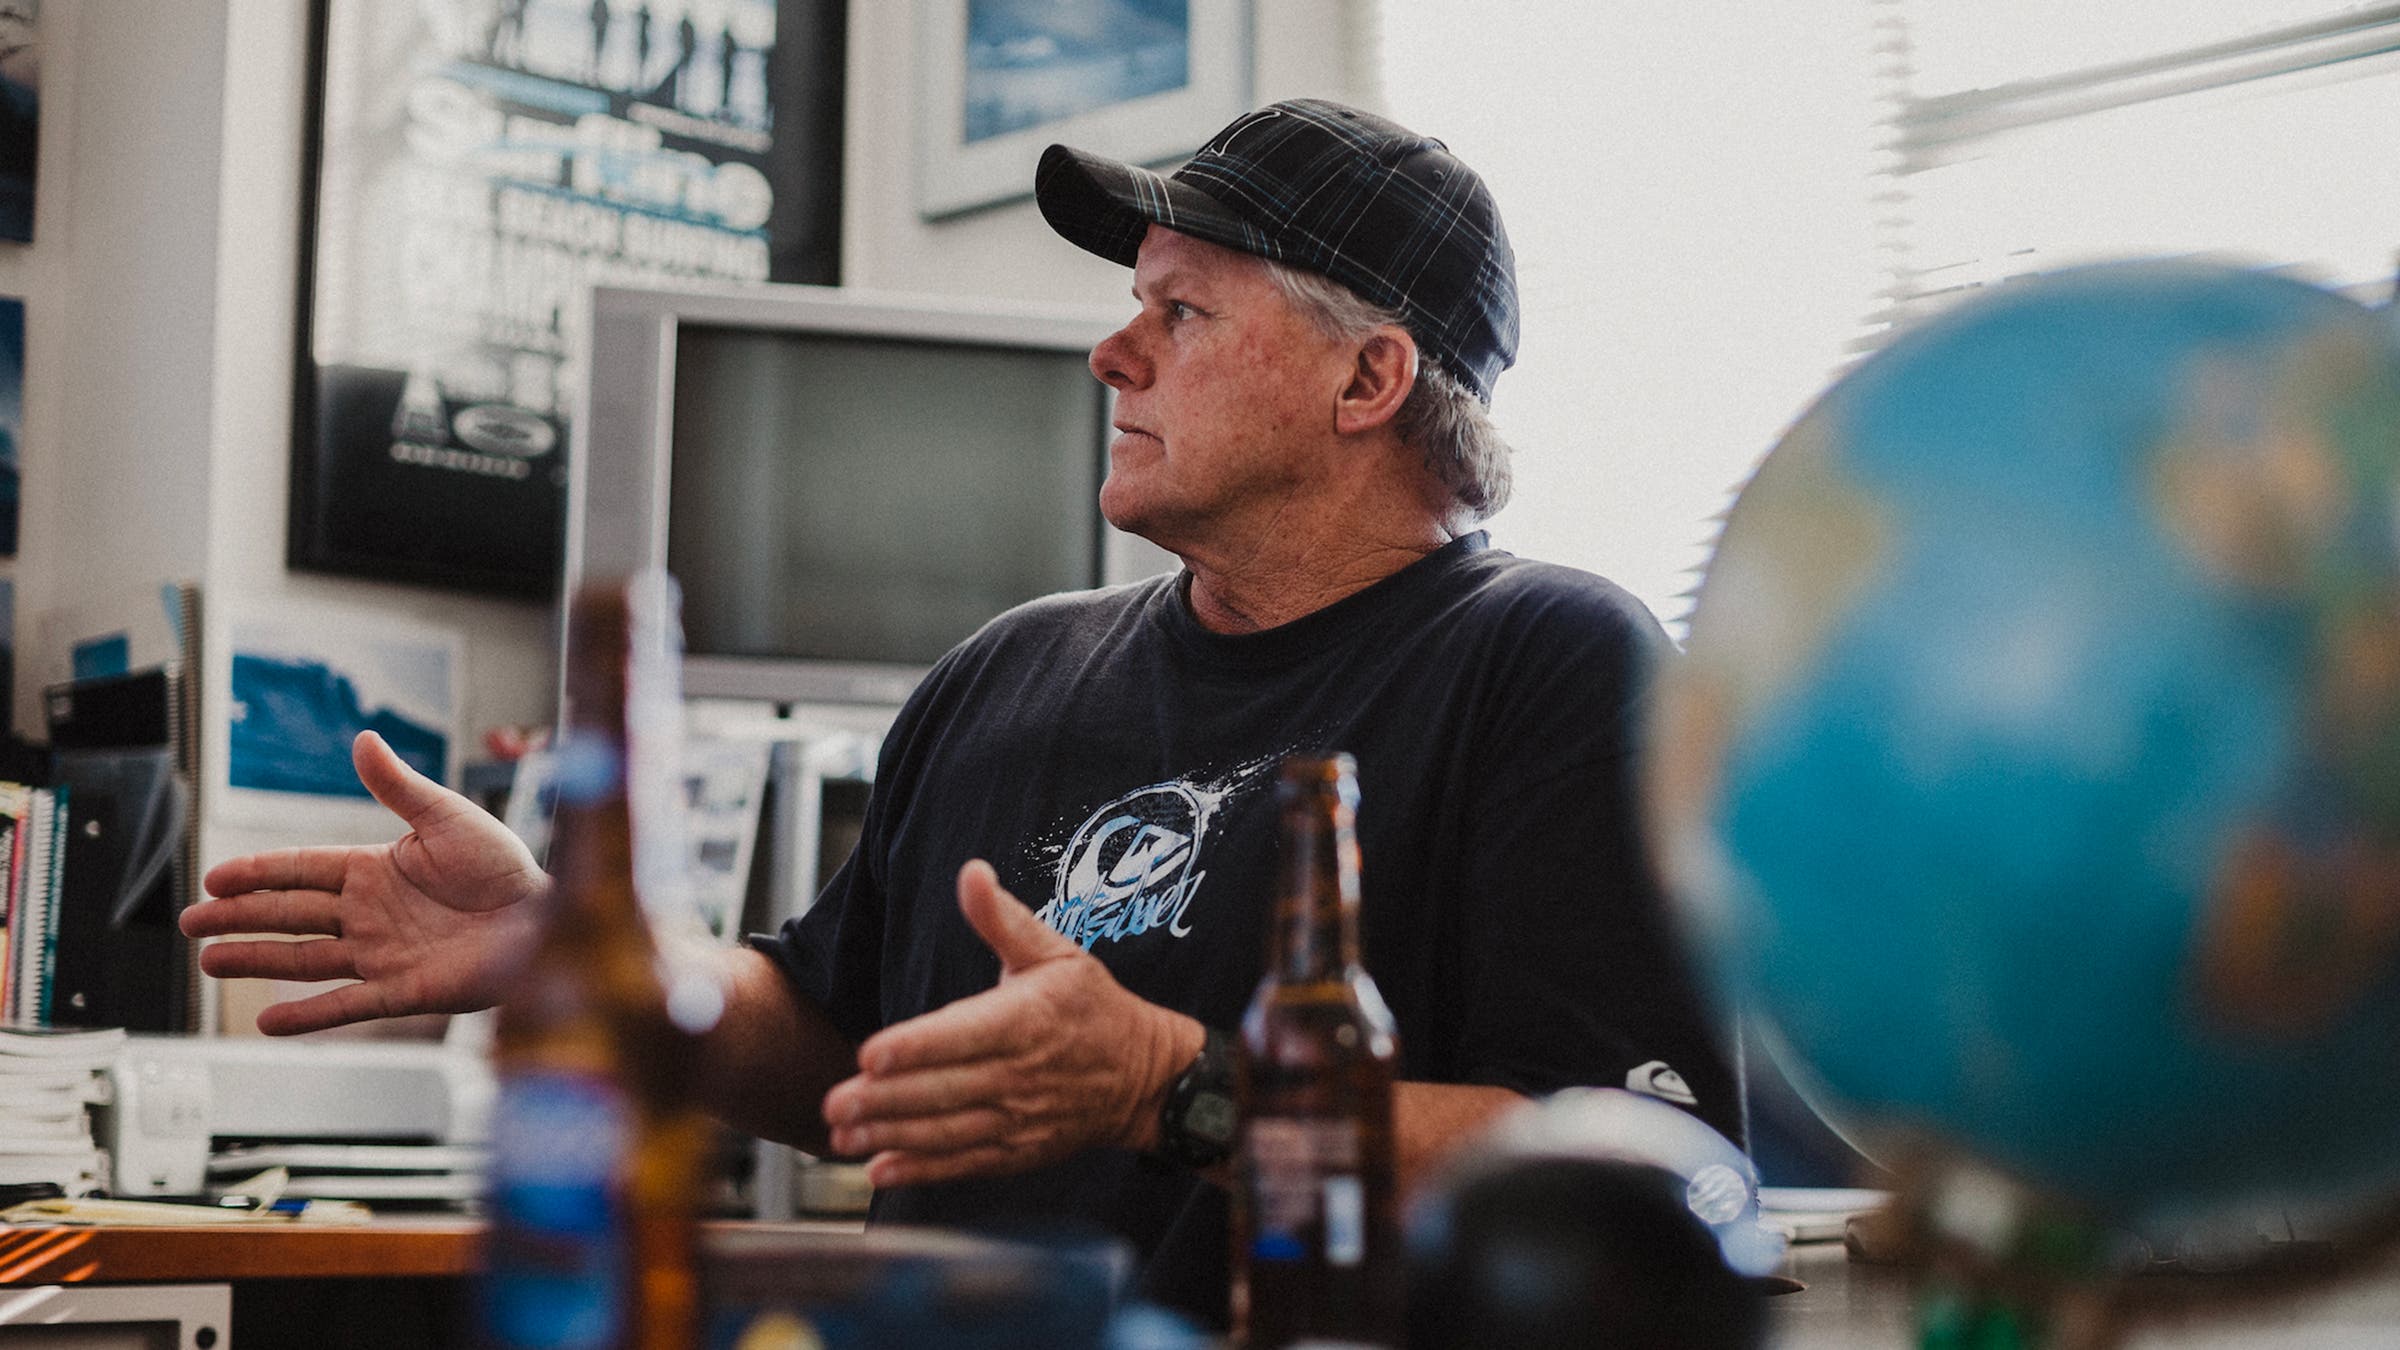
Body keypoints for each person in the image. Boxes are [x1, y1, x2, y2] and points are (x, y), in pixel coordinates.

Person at [184, 98, 1739, 1327]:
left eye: (1183, 312)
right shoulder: (1010, 667)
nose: (1109, 348)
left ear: (1370, 377)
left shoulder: (1549, 655)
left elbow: (1638, 1181)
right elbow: (834, 1039)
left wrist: (1167, 1083)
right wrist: (577, 946)